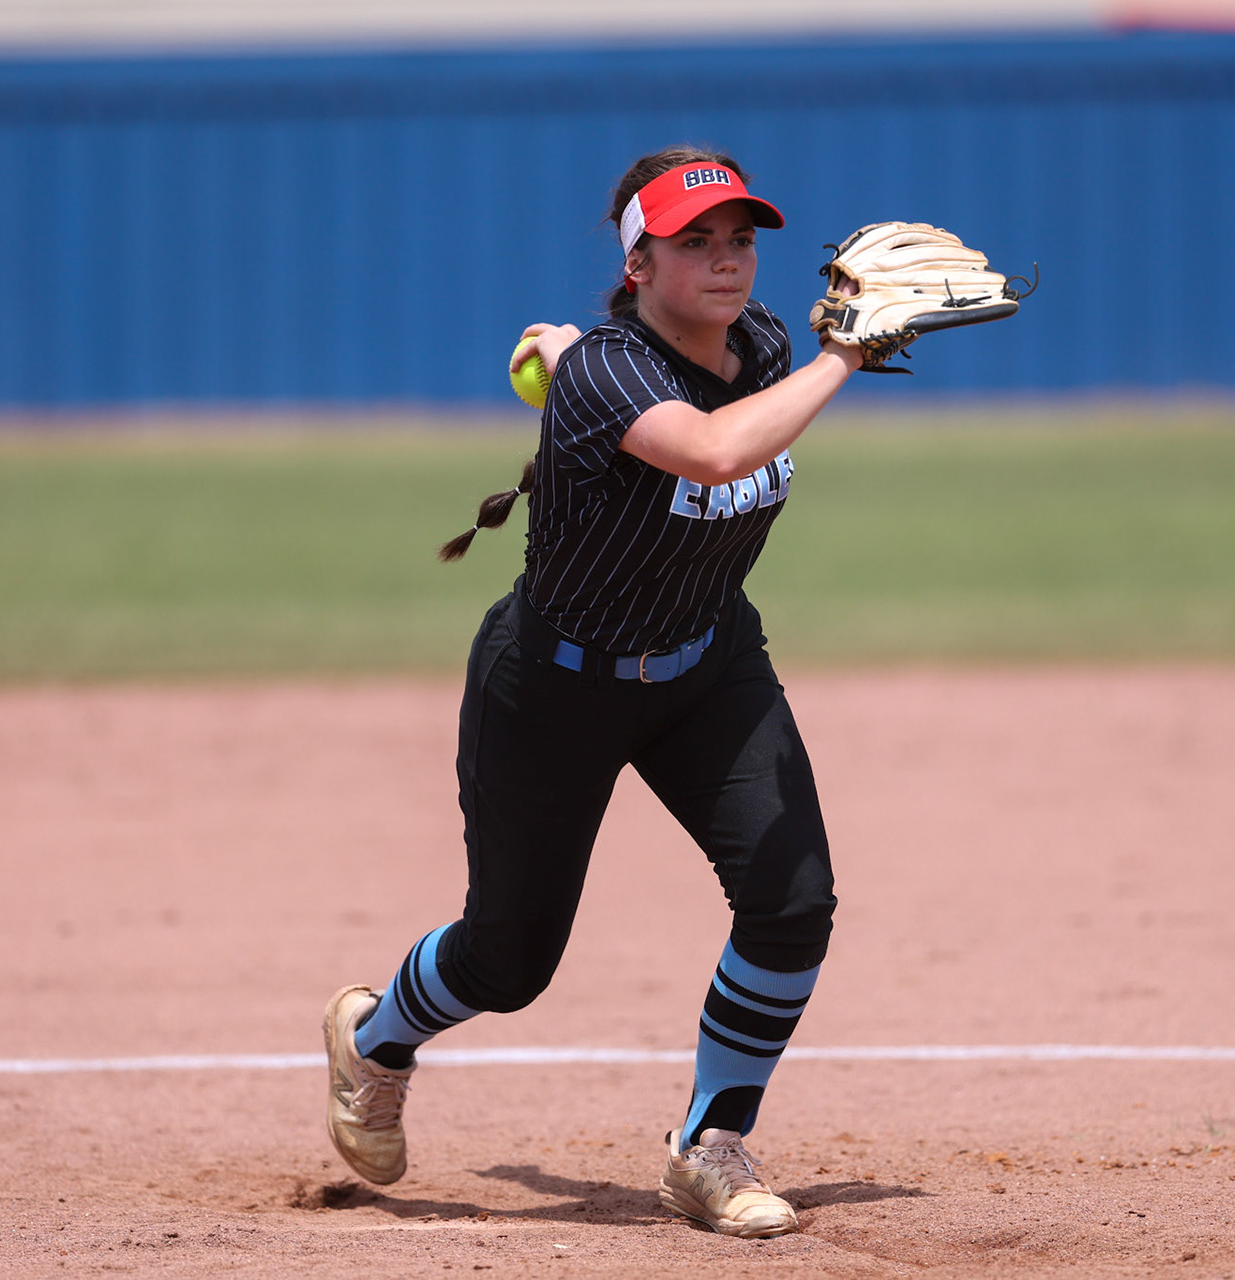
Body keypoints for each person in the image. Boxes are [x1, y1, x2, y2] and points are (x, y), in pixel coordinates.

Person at [321, 144, 864, 1240]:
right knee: (509, 960)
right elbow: (709, 452)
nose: (727, 261)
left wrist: (818, 346)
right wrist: (849, 355)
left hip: (709, 665)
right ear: (639, 264)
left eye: (741, 239)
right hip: (554, 691)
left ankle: (711, 1147)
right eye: (694, 242)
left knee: (793, 893)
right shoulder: (603, 373)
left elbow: (729, 407)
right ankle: (376, 1038)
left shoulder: (758, 343)